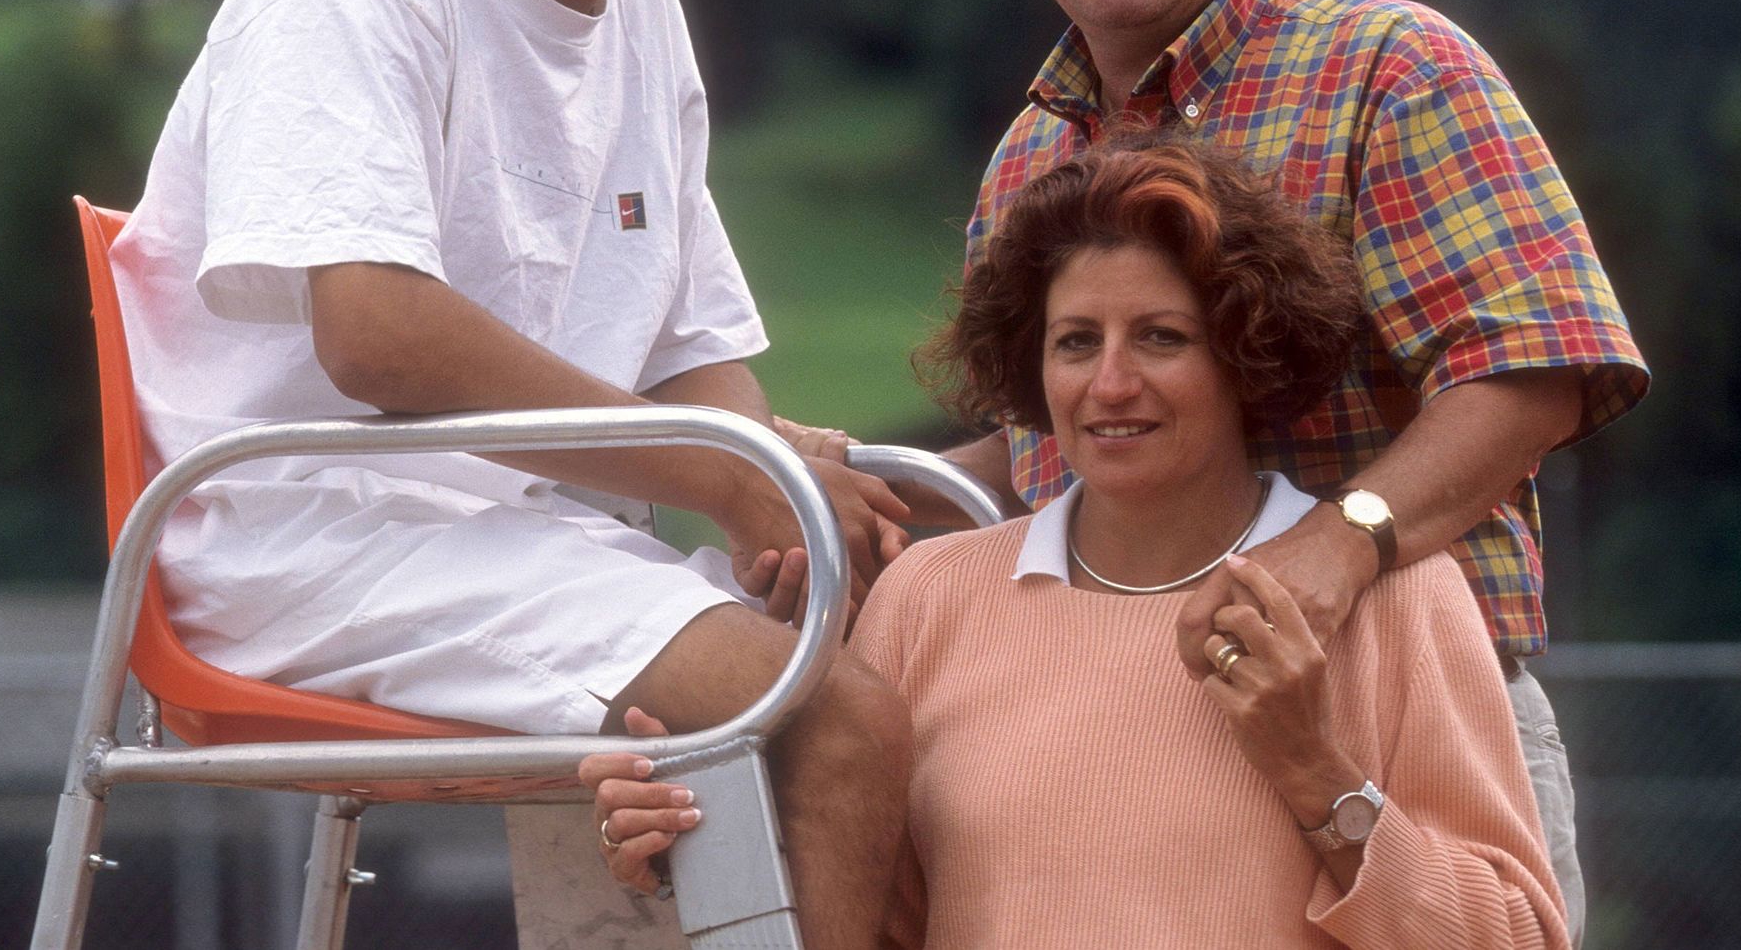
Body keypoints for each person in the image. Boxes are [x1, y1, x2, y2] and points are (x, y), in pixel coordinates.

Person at [753, 0, 1644, 938]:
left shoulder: (1388, 67)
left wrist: (1329, 556)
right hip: (1098, 731)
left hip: (1398, 717)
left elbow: (1532, 368)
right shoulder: (1027, 160)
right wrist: (848, 499)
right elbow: (1048, 453)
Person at [109, 0, 910, 950]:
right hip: (301, 530)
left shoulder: (641, 0)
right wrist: (727, 474)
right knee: (831, 718)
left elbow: (688, 340)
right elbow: (374, 333)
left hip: (520, 533)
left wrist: (773, 498)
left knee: (921, 653)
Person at [593, 135, 1569, 947]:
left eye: (1159, 337)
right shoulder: (928, 597)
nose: (1108, 384)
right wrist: (699, 849)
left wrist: (1311, 765)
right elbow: (870, 928)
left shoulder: (1399, 599)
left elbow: (1516, 932)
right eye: (1074, 341)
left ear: (1244, 355)